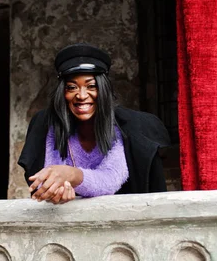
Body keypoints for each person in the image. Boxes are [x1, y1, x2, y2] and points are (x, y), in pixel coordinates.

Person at [18, 43, 170, 204]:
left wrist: (73, 175)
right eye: (72, 87)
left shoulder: (127, 125)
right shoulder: (46, 124)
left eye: (91, 86)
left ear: (103, 89)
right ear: (63, 92)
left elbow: (111, 178)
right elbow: (42, 178)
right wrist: (54, 191)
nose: (81, 95)